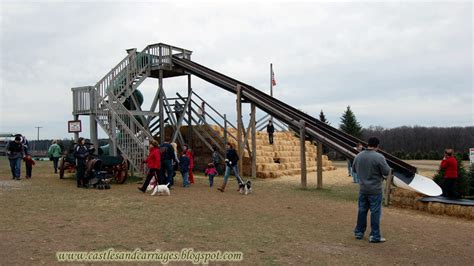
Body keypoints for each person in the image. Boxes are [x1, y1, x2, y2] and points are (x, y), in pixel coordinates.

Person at [352, 137, 391, 243]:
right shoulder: (379, 157)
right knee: (375, 212)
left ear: (367, 144)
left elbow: (354, 169)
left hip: (363, 188)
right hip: (375, 189)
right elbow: (387, 171)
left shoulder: (358, 155)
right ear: (377, 146)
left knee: (362, 211)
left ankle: (359, 232)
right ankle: (375, 236)